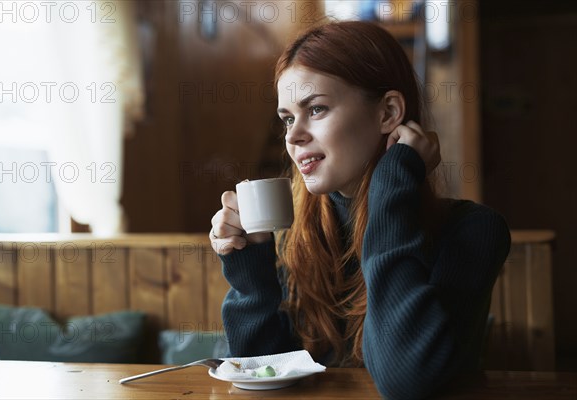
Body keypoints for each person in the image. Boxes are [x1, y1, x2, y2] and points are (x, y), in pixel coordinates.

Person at [209, 21, 510, 400]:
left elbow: (406, 381)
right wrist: (250, 267)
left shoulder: (474, 232)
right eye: (287, 117)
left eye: (316, 108)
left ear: (388, 113)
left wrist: (392, 182)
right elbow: (266, 374)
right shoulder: (295, 237)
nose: (292, 135)